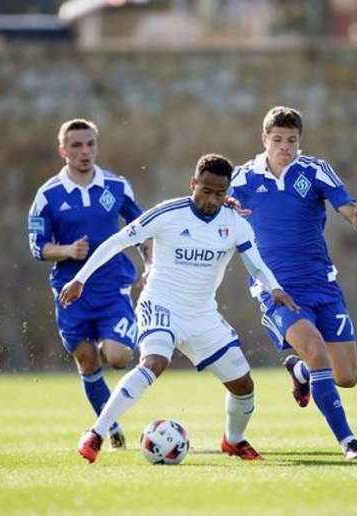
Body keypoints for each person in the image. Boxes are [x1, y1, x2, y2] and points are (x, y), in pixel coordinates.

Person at [59, 153, 299, 464]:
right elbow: (117, 241)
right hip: (161, 304)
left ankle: (234, 440)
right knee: (154, 362)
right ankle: (96, 433)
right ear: (193, 184)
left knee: (243, 386)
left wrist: (275, 288)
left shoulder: (235, 223)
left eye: (220, 193)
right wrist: (80, 279)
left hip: (202, 315)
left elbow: (257, 264)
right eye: (206, 191)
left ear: (228, 193)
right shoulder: (167, 213)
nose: (212, 199)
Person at [229, 106, 357, 460]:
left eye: (292, 141)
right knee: (316, 351)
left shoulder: (315, 171)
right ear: (263, 139)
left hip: (323, 286)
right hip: (277, 290)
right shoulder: (241, 178)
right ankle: (349, 442)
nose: (285, 147)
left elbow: (349, 211)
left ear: (300, 141)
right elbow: (212, 208)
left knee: (346, 377)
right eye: (278, 140)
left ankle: (299, 370)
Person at [28, 118, 150, 449]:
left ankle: (108, 339)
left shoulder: (117, 187)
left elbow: (142, 229)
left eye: (90, 144)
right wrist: (67, 250)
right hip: (71, 291)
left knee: (119, 357)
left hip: (112, 287)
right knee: (87, 360)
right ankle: (109, 428)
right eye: (77, 145)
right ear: (63, 150)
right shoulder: (48, 196)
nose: (85, 151)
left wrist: (150, 265)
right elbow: (37, 246)